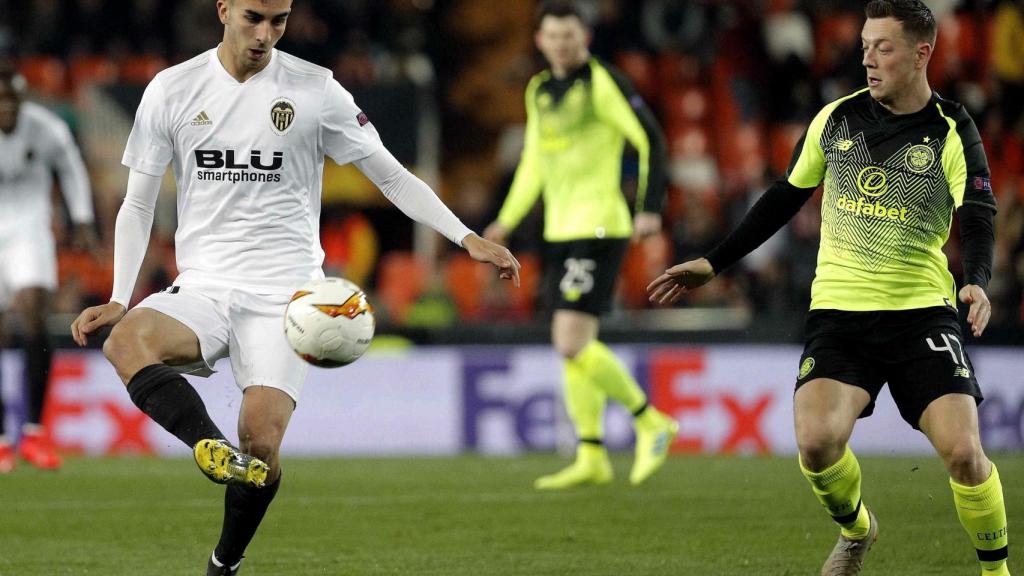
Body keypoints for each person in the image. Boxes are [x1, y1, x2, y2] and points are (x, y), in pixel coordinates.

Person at [69, 1, 520, 574]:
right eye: (253, 17)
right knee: (125, 341)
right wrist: (118, 293)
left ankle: (223, 562)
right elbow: (137, 202)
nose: (265, 34)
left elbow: (389, 173)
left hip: (288, 300)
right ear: (223, 10)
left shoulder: (316, 90)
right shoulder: (172, 89)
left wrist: (465, 237)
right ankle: (209, 448)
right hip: (204, 286)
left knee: (262, 445)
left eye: (279, 21)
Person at [648, 2, 1009, 575]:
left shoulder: (950, 128)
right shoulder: (835, 119)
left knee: (965, 453)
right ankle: (857, 530)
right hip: (840, 314)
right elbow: (783, 198)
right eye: (865, 44)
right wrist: (714, 263)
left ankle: (995, 572)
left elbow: (978, 211)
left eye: (883, 47)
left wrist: (977, 281)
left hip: (920, 314)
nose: (866, 57)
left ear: (922, 53)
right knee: (816, 444)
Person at [484, 0, 676, 490]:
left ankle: (650, 419)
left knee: (568, 341)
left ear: (583, 38)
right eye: (553, 36)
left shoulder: (602, 81)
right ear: (540, 41)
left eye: (570, 36)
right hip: (561, 231)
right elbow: (534, 162)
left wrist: (648, 207)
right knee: (574, 346)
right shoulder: (539, 89)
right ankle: (590, 453)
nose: (562, 44)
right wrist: (505, 221)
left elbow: (649, 136)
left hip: (599, 227)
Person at [0, 61, 96, 473]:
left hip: (30, 228)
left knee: (34, 311)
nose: (6, 107)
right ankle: (2, 440)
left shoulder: (45, 127)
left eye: (12, 100)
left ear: (23, 99)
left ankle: (34, 432)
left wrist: (83, 218)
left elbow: (72, 168)